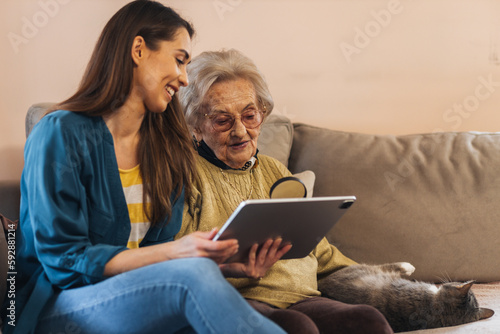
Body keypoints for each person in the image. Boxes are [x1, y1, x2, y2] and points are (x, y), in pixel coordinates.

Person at [3, 2, 288, 333]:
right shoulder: (60, 132)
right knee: (191, 275)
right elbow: (63, 263)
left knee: (201, 273)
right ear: (138, 49)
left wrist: (224, 265)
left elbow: (152, 261)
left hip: (131, 301)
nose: (183, 78)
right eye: (179, 60)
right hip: (56, 304)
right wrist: (175, 253)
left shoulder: (167, 145)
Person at [177, 49, 395, 334]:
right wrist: (228, 265)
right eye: (222, 120)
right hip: (233, 297)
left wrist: (379, 281)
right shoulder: (184, 175)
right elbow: (175, 263)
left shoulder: (275, 171)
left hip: (300, 297)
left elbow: (323, 253)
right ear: (195, 125)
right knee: (296, 327)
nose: (241, 131)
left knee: (368, 321)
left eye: (249, 115)